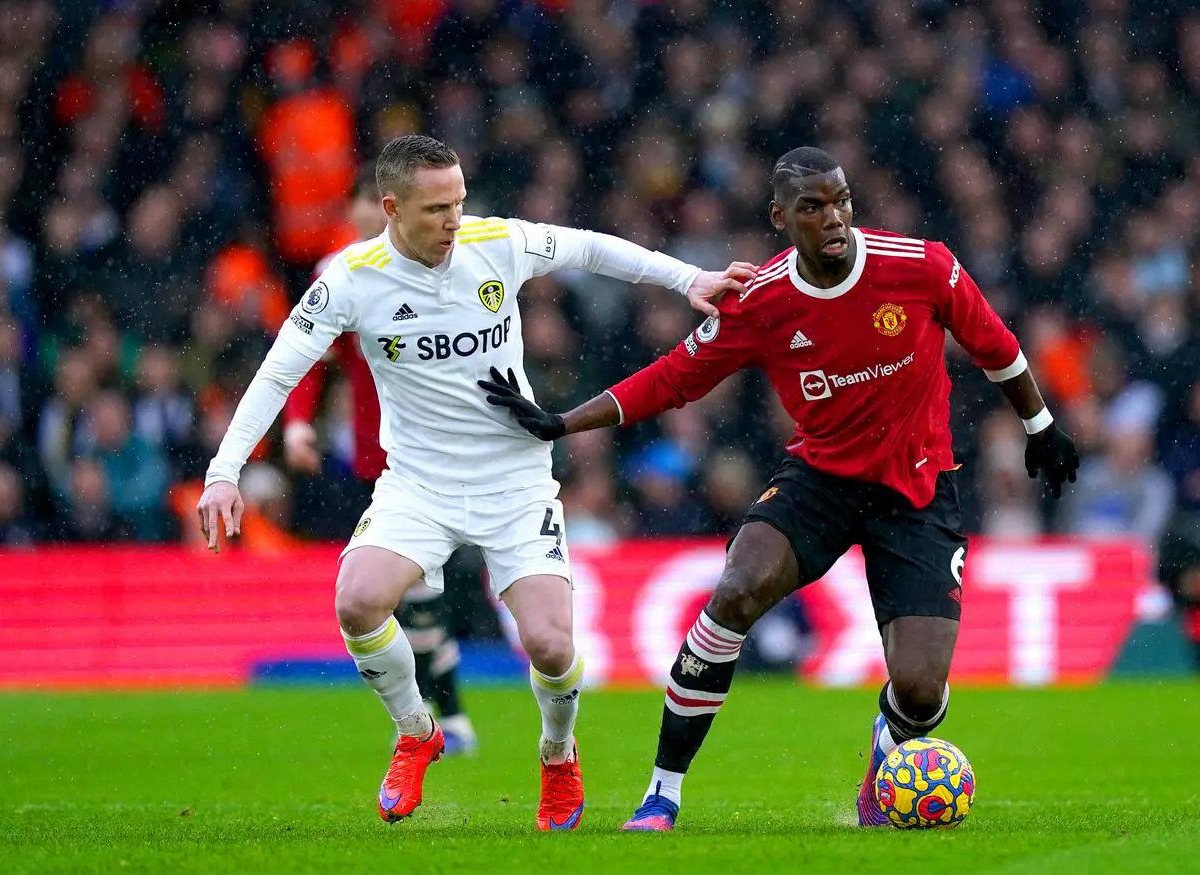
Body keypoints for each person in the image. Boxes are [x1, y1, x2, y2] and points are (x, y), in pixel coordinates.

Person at [480, 146, 1080, 832]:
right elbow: (675, 377)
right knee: (736, 589)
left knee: (920, 690)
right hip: (819, 480)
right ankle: (661, 793)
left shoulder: (920, 265)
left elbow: (995, 343)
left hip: (917, 491)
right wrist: (562, 420)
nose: (835, 217)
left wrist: (1041, 425)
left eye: (843, 200)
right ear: (780, 217)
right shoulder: (763, 300)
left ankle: (884, 759)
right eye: (814, 207)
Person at [196, 134, 755, 830]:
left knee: (552, 645)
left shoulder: (496, 243)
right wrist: (225, 471)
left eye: (458, 203)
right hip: (418, 486)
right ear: (392, 208)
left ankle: (557, 753)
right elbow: (279, 371)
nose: (453, 222)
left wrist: (685, 278)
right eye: (435, 210)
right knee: (358, 601)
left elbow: (588, 246)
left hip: (515, 482)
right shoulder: (350, 278)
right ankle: (417, 730)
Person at [282, 163, 479, 755]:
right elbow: (305, 359)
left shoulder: (446, 261)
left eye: (378, 201)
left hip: (450, 448)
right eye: (364, 203)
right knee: (415, 596)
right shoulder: (342, 277)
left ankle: (440, 718)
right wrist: (296, 426)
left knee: (426, 593)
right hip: (381, 458)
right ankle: (447, 719)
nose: (371, 213)